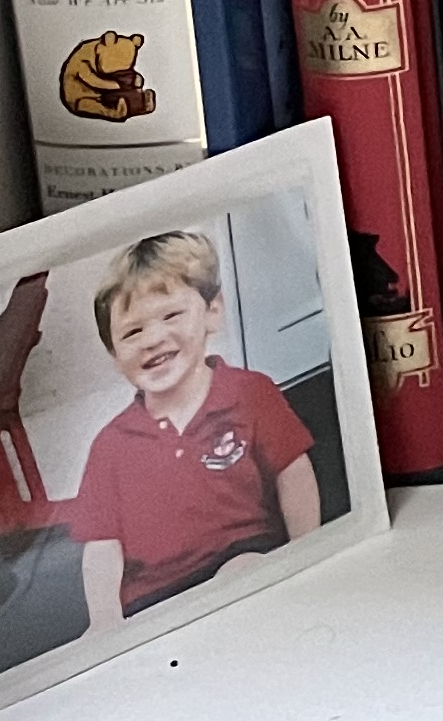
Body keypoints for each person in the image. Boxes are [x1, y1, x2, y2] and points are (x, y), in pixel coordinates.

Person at [62, 231, 321, 630]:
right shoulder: (110, 444)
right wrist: (104, 623)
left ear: (212, 311)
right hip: (153, 597)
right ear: (114, 355)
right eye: (132, 332)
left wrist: (309, 550)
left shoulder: (249, 393)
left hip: (238, 556)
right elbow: (102, 544)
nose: (153, 339)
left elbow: (293, 474)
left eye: (171, 316)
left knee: (245, 575)